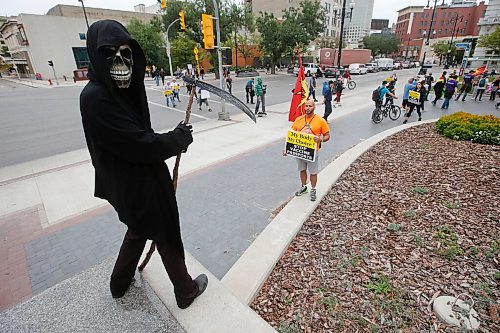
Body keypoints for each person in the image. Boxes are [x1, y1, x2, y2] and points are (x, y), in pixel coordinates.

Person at [79, 20, 207, 309]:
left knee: (139, 227)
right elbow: (137, 144)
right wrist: (176, 140)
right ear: (97, 56)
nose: (120, 61)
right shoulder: (96, 97)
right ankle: (185, 291)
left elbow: (139, 136)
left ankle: (119, 282)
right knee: (164, 231)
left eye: (126, 52)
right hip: (136, 183)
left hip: (134, 180)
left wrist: (173, 138)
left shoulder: (115, 91)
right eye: (110, 53)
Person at [289, 100, 330, 202]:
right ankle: (303, 187)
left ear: (314, 107)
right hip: (299, 151)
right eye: (306, 106)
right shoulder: (298, 120)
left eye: (310, 106)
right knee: (302, 170)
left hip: (312, 152)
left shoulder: (320, 120)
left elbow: (327, 135)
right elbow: (292, 135)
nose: (307, 108)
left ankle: (313, 189)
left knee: (313, 172)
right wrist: (287, 149)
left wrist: (321, 139)